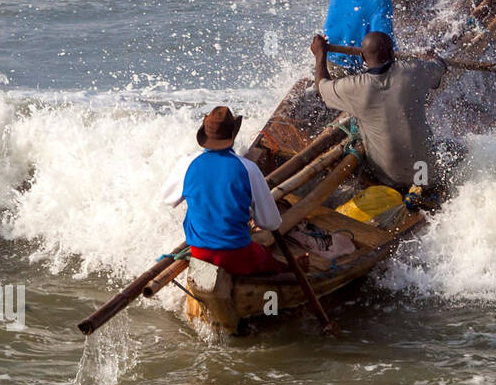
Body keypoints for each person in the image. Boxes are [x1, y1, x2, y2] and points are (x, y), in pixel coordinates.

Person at [309, 31, 447, 191]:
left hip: (388, 177)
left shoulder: (353, 87)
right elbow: (441, 67)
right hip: (424, 173)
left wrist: (320, 54)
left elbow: (322, 87)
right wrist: (432, 58)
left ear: (362, 58)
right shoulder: (415, 70)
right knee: (450, 150)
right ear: (392, 54)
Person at [159, 106, 286, 275]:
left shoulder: (187, 163)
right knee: (267, 258)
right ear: (232, 136)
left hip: (200, 252)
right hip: (236, 256)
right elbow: (270, 223)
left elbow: (168, 198)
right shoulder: (249, 168)